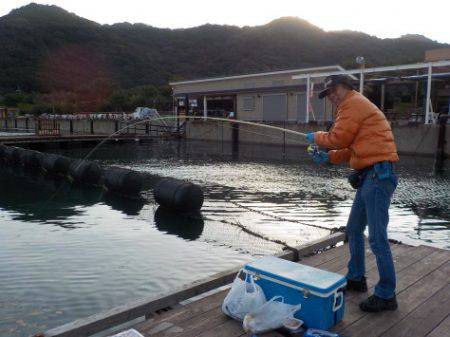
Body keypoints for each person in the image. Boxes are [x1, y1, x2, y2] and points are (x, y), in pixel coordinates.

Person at [306, 75, 400, 313]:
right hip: (371, 175)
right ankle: (356, 277)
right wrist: (328, 157)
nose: (331, 96)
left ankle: (387, 294)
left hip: (378, 176)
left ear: (346, 88)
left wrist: (316, 137)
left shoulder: (353, 104)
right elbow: (352, 148)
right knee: (354, 230)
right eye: (327, 94)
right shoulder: (353, 106)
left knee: (377, 238)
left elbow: (339, 138)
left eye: (333, 90)